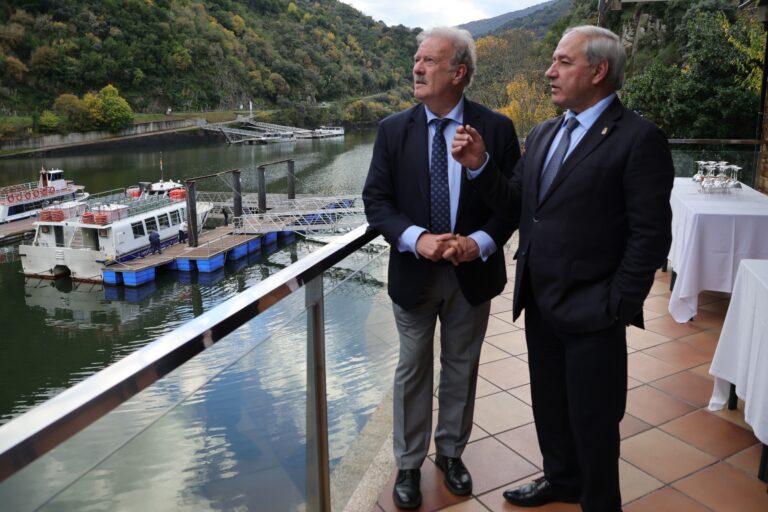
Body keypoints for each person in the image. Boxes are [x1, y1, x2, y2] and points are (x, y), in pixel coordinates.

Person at [451, 25, 673, 512]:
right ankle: (561, 479)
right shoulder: (545, 131)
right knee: (550, 406)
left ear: (598, 71)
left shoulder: (639, 139)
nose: (549, 72)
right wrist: (480, 164)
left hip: (595, 309)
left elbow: (651, 234)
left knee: (594, 420)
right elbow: (520, 205)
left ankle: (597, 500)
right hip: (541, 300)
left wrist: (617, 303)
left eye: (563, 62)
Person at [362, 26, 520, 509]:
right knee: (412, 366)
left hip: (471, 276)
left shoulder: (495, 129)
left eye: (430, 60)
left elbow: (513, 205)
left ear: (459, 72)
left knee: (461, 366)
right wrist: (417, 239)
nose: (417, 67)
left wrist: (481, 242)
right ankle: (408, 463)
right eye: (417, 58)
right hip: (413, 274)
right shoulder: (393, 129)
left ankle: (451, 452)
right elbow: (376, 201)